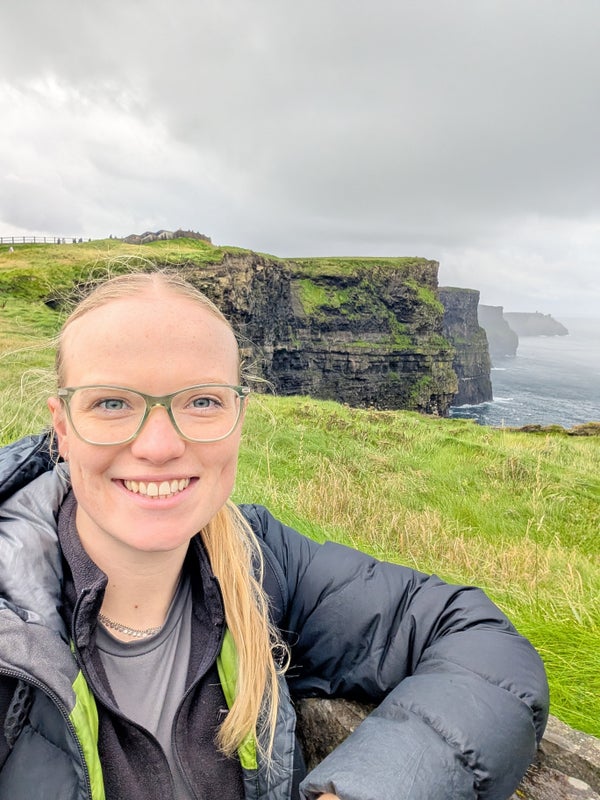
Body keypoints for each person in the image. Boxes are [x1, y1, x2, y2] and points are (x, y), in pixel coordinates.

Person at [0, 271, 549, 800]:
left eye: (202, 401)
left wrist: (374, 786)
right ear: (62, 426)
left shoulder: (260, 560)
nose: (160, 446)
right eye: (113, 403)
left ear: (239, 417)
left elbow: (476, 637)